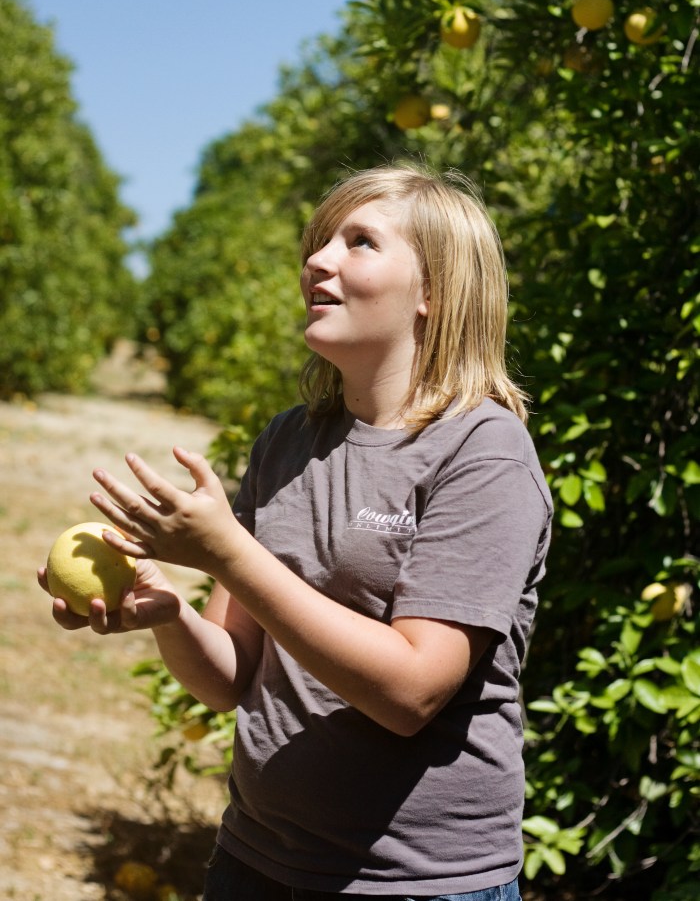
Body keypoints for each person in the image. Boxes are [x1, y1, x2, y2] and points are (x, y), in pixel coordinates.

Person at [39, 164, 552, 901]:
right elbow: (230, 678)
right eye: (319, 242)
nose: (318, 259)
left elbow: (410, 692)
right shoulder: (289, 441)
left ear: (434, 292)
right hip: (257, 859)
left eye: (360, 242)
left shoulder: (484, 452)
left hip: (417, 885)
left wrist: (228, 553)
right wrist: (169, 612)